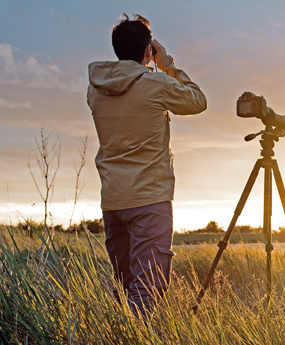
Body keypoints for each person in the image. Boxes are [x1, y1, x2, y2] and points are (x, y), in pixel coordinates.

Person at [87, 13, 207, 318]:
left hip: (113, 199)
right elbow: (197, 101)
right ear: (147, 50)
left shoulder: (96, 88)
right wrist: (166, 64)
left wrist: (145, 61)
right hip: (149, 198)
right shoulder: (155, 82)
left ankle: (120, 335)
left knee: (124, 284)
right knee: (147, 287)